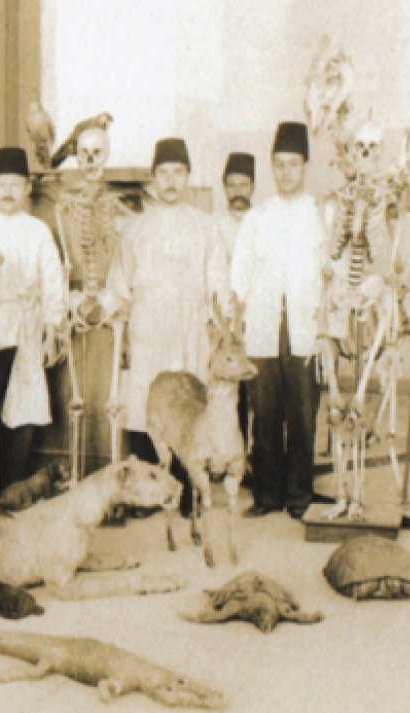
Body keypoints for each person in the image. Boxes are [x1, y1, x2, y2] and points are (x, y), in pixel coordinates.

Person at [79, 138, 231, 516]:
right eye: (164, 173)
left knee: (189, 407)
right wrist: (98, 308)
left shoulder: (205, 227)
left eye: (178, 173)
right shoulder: (135, 229)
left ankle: (189, 492)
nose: (171, 181)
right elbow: (119, 284)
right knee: (149, 405)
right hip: (148, 328)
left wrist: (222, 327)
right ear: (153, 178)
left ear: (188, 176)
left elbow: (219, 285)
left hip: (190, 327)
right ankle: (145, 496)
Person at [230, 122, 326, 520]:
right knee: (265, 412)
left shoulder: (319, 214)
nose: (286, 173)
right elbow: (239, 274)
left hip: (305, 327)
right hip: (263, 325)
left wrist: (327, 330)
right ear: (272, 166)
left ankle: (300, 495)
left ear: (306, 166)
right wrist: (237, 319)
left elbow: (330, 271)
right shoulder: (258, 217)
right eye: (280, 164)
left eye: (293, 164)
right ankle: (268, 495)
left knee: (302, 414)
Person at [0, 147, 67, 487]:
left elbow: (53, 284)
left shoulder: (38, 231)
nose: (8, 192)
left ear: (27, 189)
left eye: (15, 185)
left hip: (24, 325)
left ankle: (12, 485)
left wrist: (52, 333)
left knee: (24, 403)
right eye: (2, 184)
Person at [216, 152, 257, 483]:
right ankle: (228, 459)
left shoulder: (263, 221)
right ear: (224, 188)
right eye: (232, 185)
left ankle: (256, 459)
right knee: (230, 395)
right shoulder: (215, 225)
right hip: (227, 320)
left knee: (258, 394)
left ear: (253, 186)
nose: (238, 192)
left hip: (258, 319)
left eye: (244, 185)